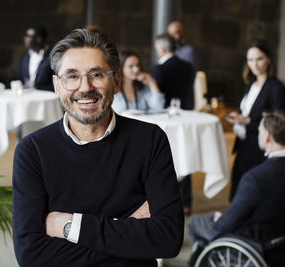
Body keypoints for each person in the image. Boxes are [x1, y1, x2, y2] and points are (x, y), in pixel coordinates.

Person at [12, 29, 184, 267]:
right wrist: (129, 232)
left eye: (96, 74)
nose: (85, 87)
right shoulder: (32, 151)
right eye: (71, 76)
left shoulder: (151, 140)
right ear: (56, 85)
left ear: (115, 82)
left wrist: (70, 227)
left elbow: (168, 239)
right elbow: (30, 255)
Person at [187, 110, 285, 265]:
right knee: (215, 215)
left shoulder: (255, 179)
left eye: (259, 131)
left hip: (254, 244)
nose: (259, 134)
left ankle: (201, 259)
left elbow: (226, 224)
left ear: (267, 137)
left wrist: (223, 220)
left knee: (196, 222)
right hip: (278, 240)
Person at [226, 40, 285, 200]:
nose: (254, 64)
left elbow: (277, 122)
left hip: (260, 148)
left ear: (268, 60)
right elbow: (247, 111)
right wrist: (238, 117)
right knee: (237, 188)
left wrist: (247, 122)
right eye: (250, 60)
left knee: (252, 192)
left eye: (259, 59)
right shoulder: (250, 84)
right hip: (244, 145)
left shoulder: (276, 88)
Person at [150, 33, 195, 215]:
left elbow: (156, 99)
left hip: (164, 120)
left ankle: (167, 202)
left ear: (161, 49)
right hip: (184, 115)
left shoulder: (158, 70)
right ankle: (187, 202)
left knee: (165, 158)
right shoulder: (189, 67)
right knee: (186, 155)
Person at [112, 49, 165, 114]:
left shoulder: (142, 87)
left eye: (137, 65)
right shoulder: (112, 90)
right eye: (131, 66)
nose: (136, 69)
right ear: (121, 68)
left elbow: (158, 107)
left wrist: (152, 83)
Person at [16, 25, 54, 91]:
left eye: (29, 36)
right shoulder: (25, 57)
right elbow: (19, 78)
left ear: (39, 39)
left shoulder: (52, 56)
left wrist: (36, 88)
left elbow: (56, 84)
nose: (25, 38)